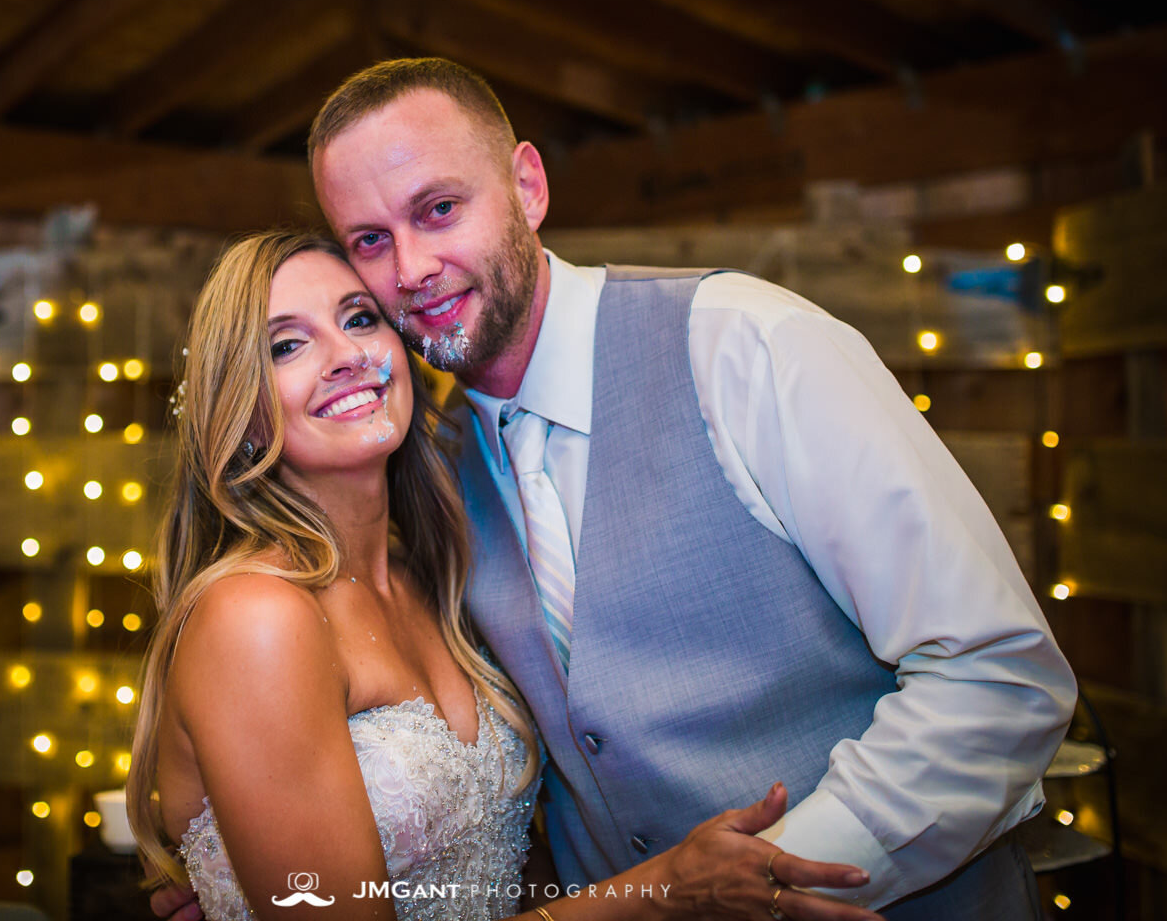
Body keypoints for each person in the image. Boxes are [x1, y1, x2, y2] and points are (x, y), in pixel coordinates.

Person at [299, 58, 1080, 920]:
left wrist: (768, 884)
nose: (411, 269)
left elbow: (997, 676)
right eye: (370, 240)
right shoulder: (427, 465)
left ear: (526, 187)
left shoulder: (743, 345)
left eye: (439, 210)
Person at [130, 230, 883, 921]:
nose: (347, 354)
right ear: (242, 411)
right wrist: (662, 891)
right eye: (287, 346)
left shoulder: (430, 573)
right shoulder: (258, 615)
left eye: (360, 319)